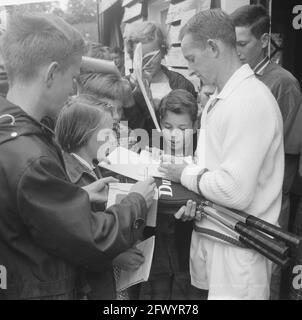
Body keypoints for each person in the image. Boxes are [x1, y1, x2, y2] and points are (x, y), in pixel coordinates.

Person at [0, 13, 155, 300]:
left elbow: (24, 213)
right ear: (51, 73)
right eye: (72, 78)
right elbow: (93, 239)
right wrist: (137, 201)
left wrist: (77, 196)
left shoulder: (10, 130)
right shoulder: (31, 157)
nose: (74, 90)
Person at [159, 9, 284, 300]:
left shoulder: (249, 101)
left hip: (236, 256)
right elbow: (214, 170)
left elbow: (234, 191)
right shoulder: (223, 97)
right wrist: (190, 188)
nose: (189, 69)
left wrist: (184, 173)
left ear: (214, 47)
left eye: (191, 58)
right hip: (213, 243)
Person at [230, 4, 302, 300]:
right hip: (235, 194)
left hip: (267, 200)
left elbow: (290, 151)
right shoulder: (235, 77)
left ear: (263, 40)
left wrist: (272, 198)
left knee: (265, 272)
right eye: (230, 43)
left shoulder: (282, 82)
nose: (235, 50)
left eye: (242, 43)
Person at [55, 95, 146, 300]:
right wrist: (114, 258)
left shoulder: (93, 167)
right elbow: (75, 243)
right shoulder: (71, 178)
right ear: (85, 135)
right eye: (109, 130)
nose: (114, 136)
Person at [145, 89, 205, 300]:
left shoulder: (203, 164)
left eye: (183, 128)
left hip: (187, 253)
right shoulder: (150, 157)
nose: (174, 135)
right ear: (159, 124)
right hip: (156, 255)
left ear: (195, 127)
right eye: (168, 127)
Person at [124, 21, 196, 137]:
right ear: (133, 56)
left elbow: (186, 134)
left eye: (152, 55)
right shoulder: (125, 86)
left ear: (162, 52)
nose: (147, 62)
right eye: (141, 56)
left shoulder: (181, 85)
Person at [78, 72, 137, 151]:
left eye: (119, 109)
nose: (117, 116)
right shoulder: (76, 135)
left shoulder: (126, 135)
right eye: (110, 109)